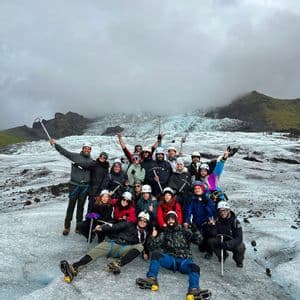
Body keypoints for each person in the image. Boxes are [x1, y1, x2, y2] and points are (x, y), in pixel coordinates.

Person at [136, 211, 211, 299]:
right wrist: (152, 237)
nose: (170, 221)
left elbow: (199, 241)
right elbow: (152, 247)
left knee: (195, 267)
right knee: (156, 254)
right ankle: (152, 279)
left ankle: (193, 289)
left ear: (176, 220)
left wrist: (195, 230)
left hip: (184, 260)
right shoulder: (164, 234)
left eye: (172, 219)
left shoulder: (184, 231)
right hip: (171, 260)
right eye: (168, 219)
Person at [60, 212, 151, 282]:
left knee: (140, 246)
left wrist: (146, 252)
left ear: (147, 223)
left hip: (124, 249)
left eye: (145, 221)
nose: (142, 222)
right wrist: (103, 228)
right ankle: (74, 268)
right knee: (94, 252)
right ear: (138, 220)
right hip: (113, 244)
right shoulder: (129, 224)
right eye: (141, 220)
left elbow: (145, 244)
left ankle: (117, 264)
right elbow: (115, 227)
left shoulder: (145, 234)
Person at [49, 139, 93, 236]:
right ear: (83, 149)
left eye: (89, 149)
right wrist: (55, 144)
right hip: (74, 186)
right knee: (71, 207)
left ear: (90, 150)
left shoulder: (92, 161)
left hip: (85, 187)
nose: (87, 150)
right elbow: (64, 152)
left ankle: (78, 227)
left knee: (80, 208)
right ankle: (67, 227)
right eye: (85, 148)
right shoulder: (75, 156)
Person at [207, 201, 246, 267]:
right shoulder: (216, 220)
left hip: (232, 242)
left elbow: (239, 238)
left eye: (225, 211)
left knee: (241, 246)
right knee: (211, 241)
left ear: (228, 211)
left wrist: (228, 244)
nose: (223, 213)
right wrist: (212, 226)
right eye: (220, 211)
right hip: (221, 240)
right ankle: (223, 256)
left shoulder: (235, 222)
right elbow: (213, 234)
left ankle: (238, 261)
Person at [184, 181, 215, 257]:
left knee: (210, 233)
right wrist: (187, 221)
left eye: (199, 188)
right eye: (195, 188)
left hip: (206, 223)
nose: (197, 190)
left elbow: (211, 212)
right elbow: (188, 211)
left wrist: (206, 204)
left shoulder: (207, 199)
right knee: (199, 245)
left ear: (202, 189)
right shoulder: (192, 199)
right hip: (196, 222)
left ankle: (209, 251)